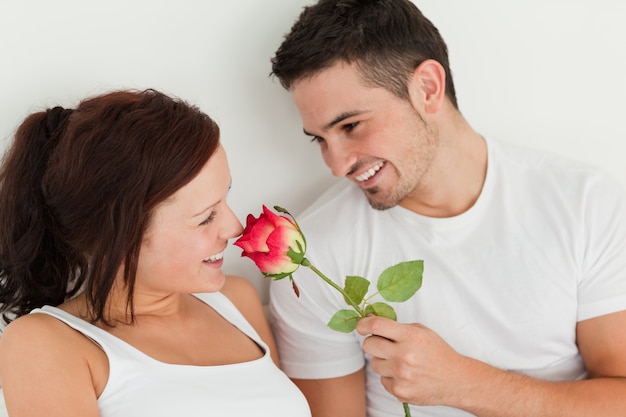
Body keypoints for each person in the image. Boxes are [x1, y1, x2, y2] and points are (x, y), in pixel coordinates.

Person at [267, 1, 626, 416]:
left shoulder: (582, 201)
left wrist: (464, 384)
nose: (337, 165)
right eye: (320, 139)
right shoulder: (311, 255)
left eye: (351, 126)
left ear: (427, 89)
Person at [0, 89, 311, 417]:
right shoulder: (46, 344)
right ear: (121, 240)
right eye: (206, 217)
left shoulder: (236, 300)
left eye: (225, 198)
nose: (234, 227)